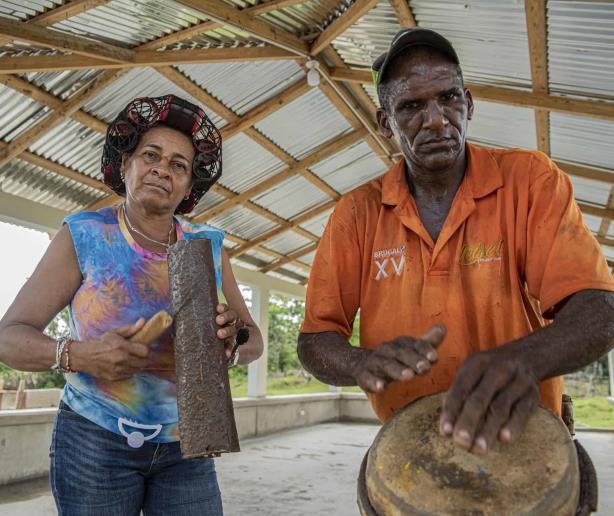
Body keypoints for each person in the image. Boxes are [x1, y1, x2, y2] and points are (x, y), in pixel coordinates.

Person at [298, 28, 614, 456]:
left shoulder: (529, 181)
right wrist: (360, 363)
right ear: (384, 123)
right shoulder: (357, 213)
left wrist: (524, 357)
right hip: (410, 446)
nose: (435, 119)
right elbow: (315, 340)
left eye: (448, 98)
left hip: (526, 440)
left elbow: (600, 310)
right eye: (411, 106)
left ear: (468, 103)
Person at [0, 94, 263, 515]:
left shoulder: (207, 248)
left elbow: (254, 341)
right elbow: (9, 338)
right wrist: (77, 355)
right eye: (151, 155)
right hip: (94, 439)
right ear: (124, 165)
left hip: (186, 447)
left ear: (189, 186)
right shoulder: (85, 235)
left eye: (179, 165)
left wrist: (232, 341)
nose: (163, 168)